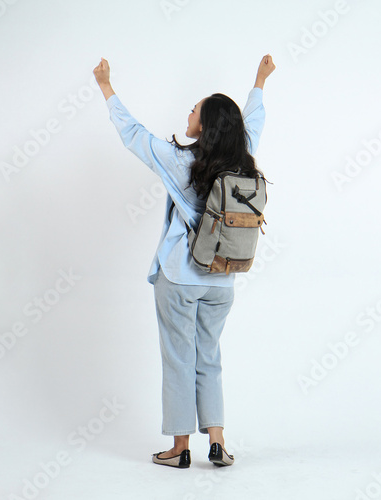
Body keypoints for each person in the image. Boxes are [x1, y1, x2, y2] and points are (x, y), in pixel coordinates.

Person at [93, 54, 275, 468]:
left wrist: (106, 86)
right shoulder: (242, 157)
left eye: (195, 110)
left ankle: (179, 449)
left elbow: (133, 134)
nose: (189, 113)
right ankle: (218, 442)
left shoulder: (179, 161)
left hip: (180, 278)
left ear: (205, 126)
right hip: (223, 280)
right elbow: (254, 121)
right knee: (208, 357)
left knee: (179, 358)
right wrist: (260, 81)